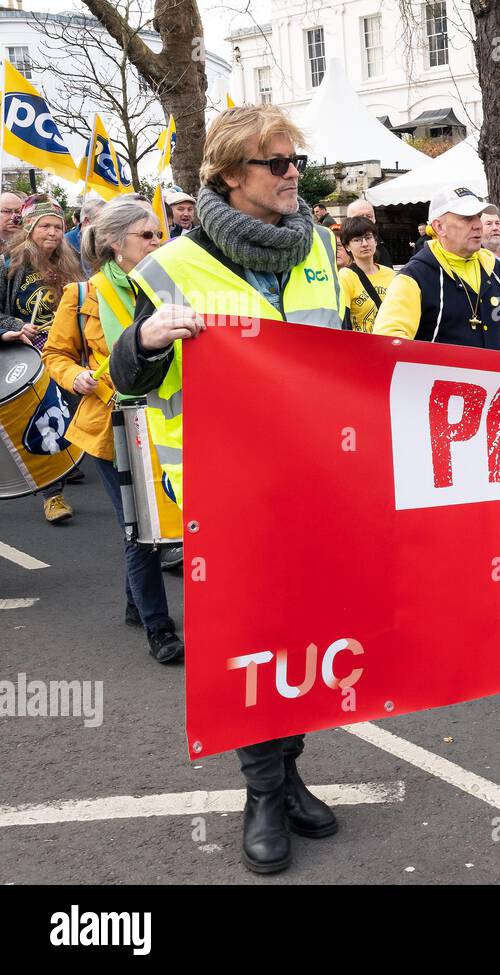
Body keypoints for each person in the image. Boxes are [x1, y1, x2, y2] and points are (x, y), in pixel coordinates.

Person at [110, 104, 346, 875]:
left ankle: (293, 770)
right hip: (229, 497)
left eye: (295, 162)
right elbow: (127, 375)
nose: (291, 175)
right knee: (255, 649)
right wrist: (143, 342)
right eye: (274, 163)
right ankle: (262, 794)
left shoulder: (318, 250)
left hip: (314, 488)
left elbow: (341, 361)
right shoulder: (173, 265)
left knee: (306, 646)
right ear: (228, 176)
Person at [42, 195, 183, 664]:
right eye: (147, 235)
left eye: (160, 234)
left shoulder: (171, 287)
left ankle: (135, 603)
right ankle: (158, 627)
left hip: (167, 420)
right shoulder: (82, 295)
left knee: (152, 519)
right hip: (111, 426)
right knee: (140, 525)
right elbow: (55, 355)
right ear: (114, 243)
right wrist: (74, 376)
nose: (158, 242)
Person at [374, 186, 500, 354]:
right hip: (441, 385)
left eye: (478, 216)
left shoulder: (496, 268)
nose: (477, 225)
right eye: (467, 218)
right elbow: (389, 342)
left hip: (495, 385)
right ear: (439, 227)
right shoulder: (414, 277)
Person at [0, 195, 85, 523]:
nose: (53, 232)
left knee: (81, 416)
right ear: (31, 227)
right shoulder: (9, 263)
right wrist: (15, 325)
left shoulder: (71, 260)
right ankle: (53, 496)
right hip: (31, 358)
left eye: (58, 226)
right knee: (46, 421)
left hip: (68, 353)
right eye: (45, 225)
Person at [338, 215, 394, 333]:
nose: (364, 244)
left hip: (390, 343)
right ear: (347, 246)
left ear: (375, 240)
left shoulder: (391, 274)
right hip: (362, 346)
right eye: (357, 240)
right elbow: (344, 322)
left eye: (368, 237)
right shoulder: (345, 277)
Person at [345, 199, 393, 265]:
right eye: (360, 217)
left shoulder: (383, 241)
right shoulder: (341, 247)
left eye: (369, 216)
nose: (366, 220)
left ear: (375, 219)